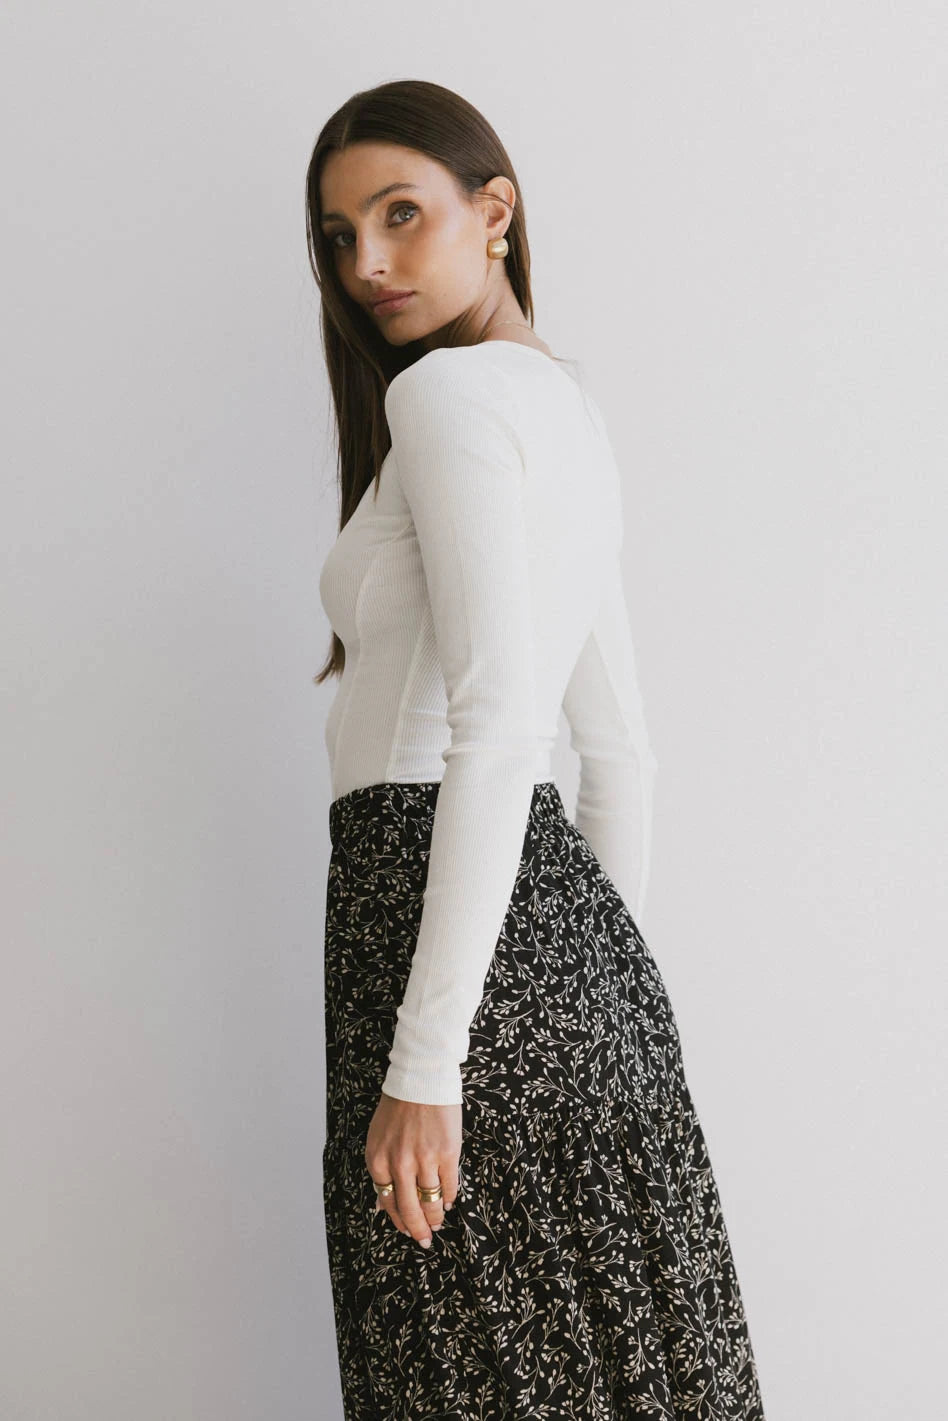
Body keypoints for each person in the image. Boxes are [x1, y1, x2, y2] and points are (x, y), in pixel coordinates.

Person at [306, 78, 766, 1420]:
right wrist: (581, 1010)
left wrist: (429, 1060)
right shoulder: (561, 404)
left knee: (462, 1372)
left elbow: (506, 723)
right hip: (563, 965)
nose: (369, 262)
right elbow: (618, 753)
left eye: (402, 213)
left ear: (494, 212)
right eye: (340, 236)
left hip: (432, 933)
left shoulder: (448, 398)